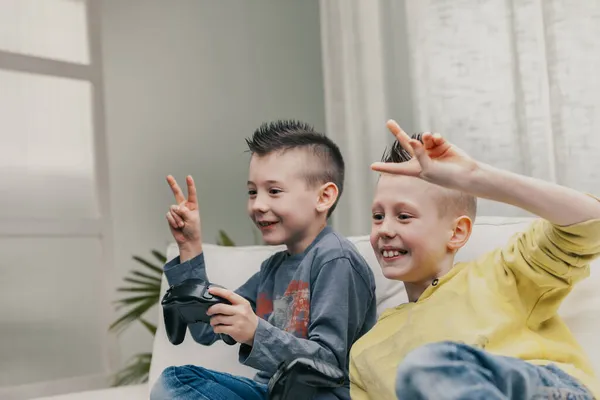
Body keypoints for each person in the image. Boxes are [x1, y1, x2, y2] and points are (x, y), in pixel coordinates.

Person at [349, 120, 600, 399]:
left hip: (540, 388)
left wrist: (476, 176)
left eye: (404, 216)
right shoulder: (366, 352)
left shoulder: (500, 274)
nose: (385, 229)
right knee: (421, 370)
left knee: (427, 365)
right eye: (378, 216)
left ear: (457, 232)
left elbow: (590, 225)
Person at [151, 120, 377, 400]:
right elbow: (207, 329)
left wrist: (256, 332)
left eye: (274, 191)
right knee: (175, 381)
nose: (258, 204)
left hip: (322, 396)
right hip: (269, 393)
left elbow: (329, 363)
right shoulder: (272, 269)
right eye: (252, 191)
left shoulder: (336, 260)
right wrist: (189, 245)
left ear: (324, 197)